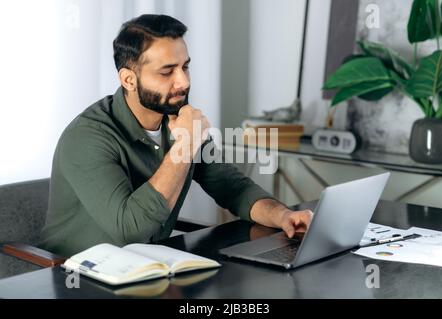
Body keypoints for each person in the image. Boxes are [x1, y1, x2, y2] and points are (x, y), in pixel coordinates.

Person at [39, 14, 312, 257]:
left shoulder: (179, 121)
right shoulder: (87, 138)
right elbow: (130, 230)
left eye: (185, 67)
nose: (183, 82)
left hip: (145, 268)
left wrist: (284, 215)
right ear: (129, 80)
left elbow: (233, 188)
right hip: (77, 278)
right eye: (167, 71)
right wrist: (186, 145)